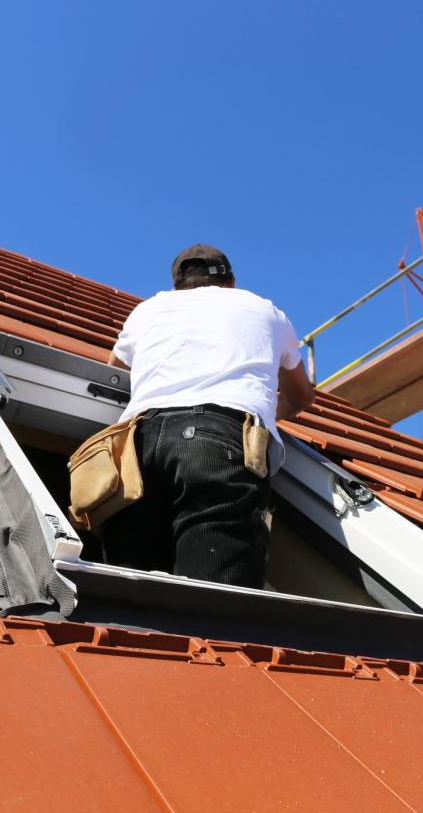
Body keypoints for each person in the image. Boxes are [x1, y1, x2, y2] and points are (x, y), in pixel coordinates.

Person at [103, 243, 315, 588]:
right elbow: (302, 395)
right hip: (219, 441)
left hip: (136, 443)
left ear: (178, 286)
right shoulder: (263, 309)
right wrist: (261, 410)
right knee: (212, 600)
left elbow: (110, 373)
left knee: (133, 594)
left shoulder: (149, 309)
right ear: (230, 281)